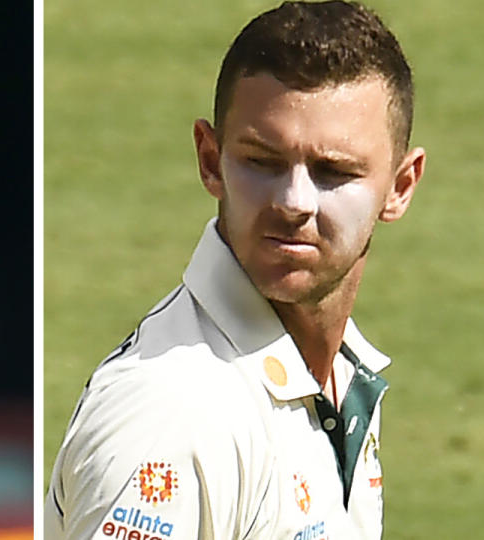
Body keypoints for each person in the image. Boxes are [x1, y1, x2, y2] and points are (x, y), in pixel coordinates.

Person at [46, 2, 425, 539]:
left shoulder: (338, 378)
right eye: (262, 162)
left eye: (333, 171)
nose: (294, 202)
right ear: (209, 159)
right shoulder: (174, 414)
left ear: (401, 186)